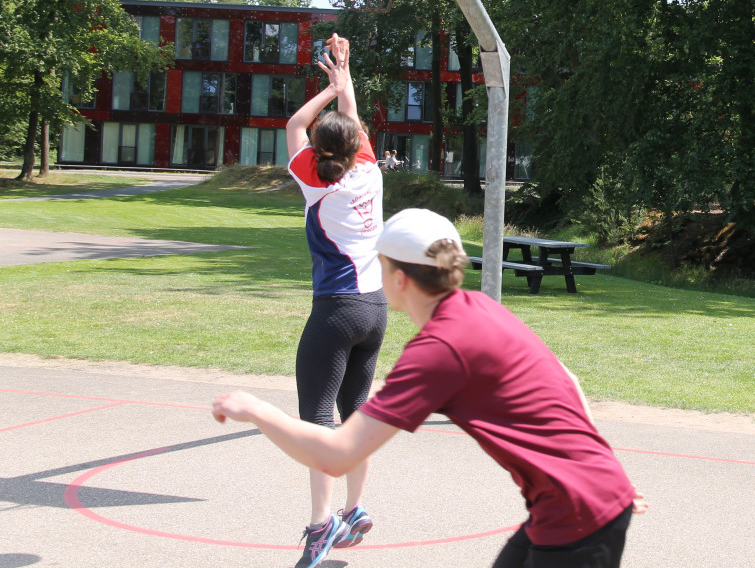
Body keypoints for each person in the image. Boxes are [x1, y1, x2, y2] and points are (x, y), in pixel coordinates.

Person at [213, 207, 647, 568]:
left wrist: (256, 409)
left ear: (399, 279)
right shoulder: (477, 306)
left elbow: (337, 454)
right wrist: (604, 472)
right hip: (582, 500)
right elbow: (567, 379)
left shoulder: (439, 349)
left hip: (577, 515)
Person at [283, 33, 387, 568]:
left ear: (321, 151)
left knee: (316, 415)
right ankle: (356, 508)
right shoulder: (368, 171)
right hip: (376, 310)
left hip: (337, 309)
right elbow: (351, 124)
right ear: (355, 146)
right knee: (356, 411)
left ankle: (321, 525)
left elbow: (293, 126)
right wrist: (344, 78)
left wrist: (328, 88)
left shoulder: (316, 180)